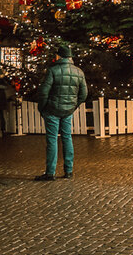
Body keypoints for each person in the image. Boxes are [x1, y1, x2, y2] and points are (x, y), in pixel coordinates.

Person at [34, 45, 87, 181]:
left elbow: (44, 91)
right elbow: (83, 94)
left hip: (52, 109)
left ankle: (50, 173)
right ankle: (68, 171)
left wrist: (42, 107)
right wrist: (73, 106)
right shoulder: (79, 72)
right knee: (67, 138)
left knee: (52, 140)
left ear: (59, 56)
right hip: (68, 110)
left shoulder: (53, 70)